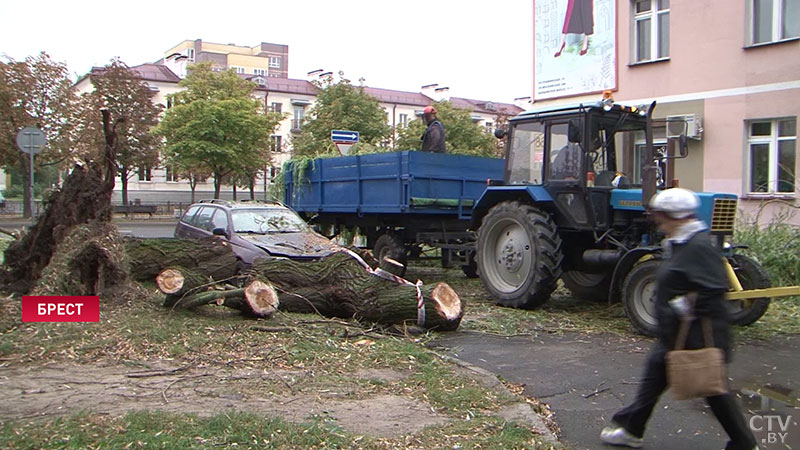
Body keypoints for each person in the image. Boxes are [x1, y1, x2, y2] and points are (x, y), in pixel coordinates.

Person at [600, 188, 758, 450]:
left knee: (713, 390)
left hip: (697, 335)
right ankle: (631, 429)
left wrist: (678, 307)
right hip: (675, 333)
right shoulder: (681, 241)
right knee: (654, 379)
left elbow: (714, 288)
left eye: (662, 218)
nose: (659, 225)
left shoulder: (698, 245)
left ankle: (744, 442)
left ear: (677, 217)